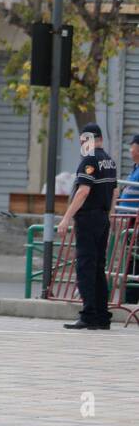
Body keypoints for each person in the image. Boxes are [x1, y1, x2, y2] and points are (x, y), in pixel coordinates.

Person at [60, 123, 118, 330]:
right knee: (98, 268)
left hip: (88, 219)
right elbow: (114, 192)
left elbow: (83, 191)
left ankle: (88, 315)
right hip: (102, 218)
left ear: (89, 139)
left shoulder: (90, 160)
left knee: (85, 267)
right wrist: (108, 215)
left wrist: (66, 217)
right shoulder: (109, 161)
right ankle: (102, 317)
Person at [117, 135, 139, 303]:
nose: (130, 150)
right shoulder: (135, 168)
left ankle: (131, 299)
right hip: (131, 220)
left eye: (132, 146)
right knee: (131, 258)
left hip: (136, 221)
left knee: (134, 259)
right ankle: (130, 298)